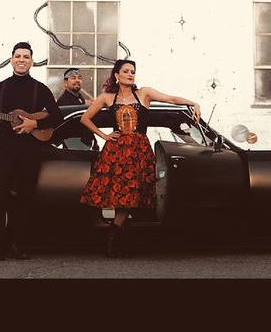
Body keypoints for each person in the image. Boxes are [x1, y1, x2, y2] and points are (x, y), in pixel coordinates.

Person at [79, 59, 201, 257]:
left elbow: (170, 99)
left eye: (133, 71)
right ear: (117, 76)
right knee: (119, 195)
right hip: (116, 150)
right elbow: (85, 118)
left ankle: (115, 236)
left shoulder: (144, 93)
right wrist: (105, 136)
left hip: (138, 150)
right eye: (126, 71)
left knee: (133, 195)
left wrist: (192, 102)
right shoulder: (107, 97)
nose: (130, 74)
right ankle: (115, 238)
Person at [0, 42, 62, 262]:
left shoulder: (40, 88)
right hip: (3, 149)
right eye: (18, 56)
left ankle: (19, 245)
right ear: (11, 59)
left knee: (25, 197)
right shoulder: (1, 87)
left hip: (30, 150)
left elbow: (57, 116)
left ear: (32, 61)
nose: (22, 60)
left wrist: (34, 125)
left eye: (26, 56)